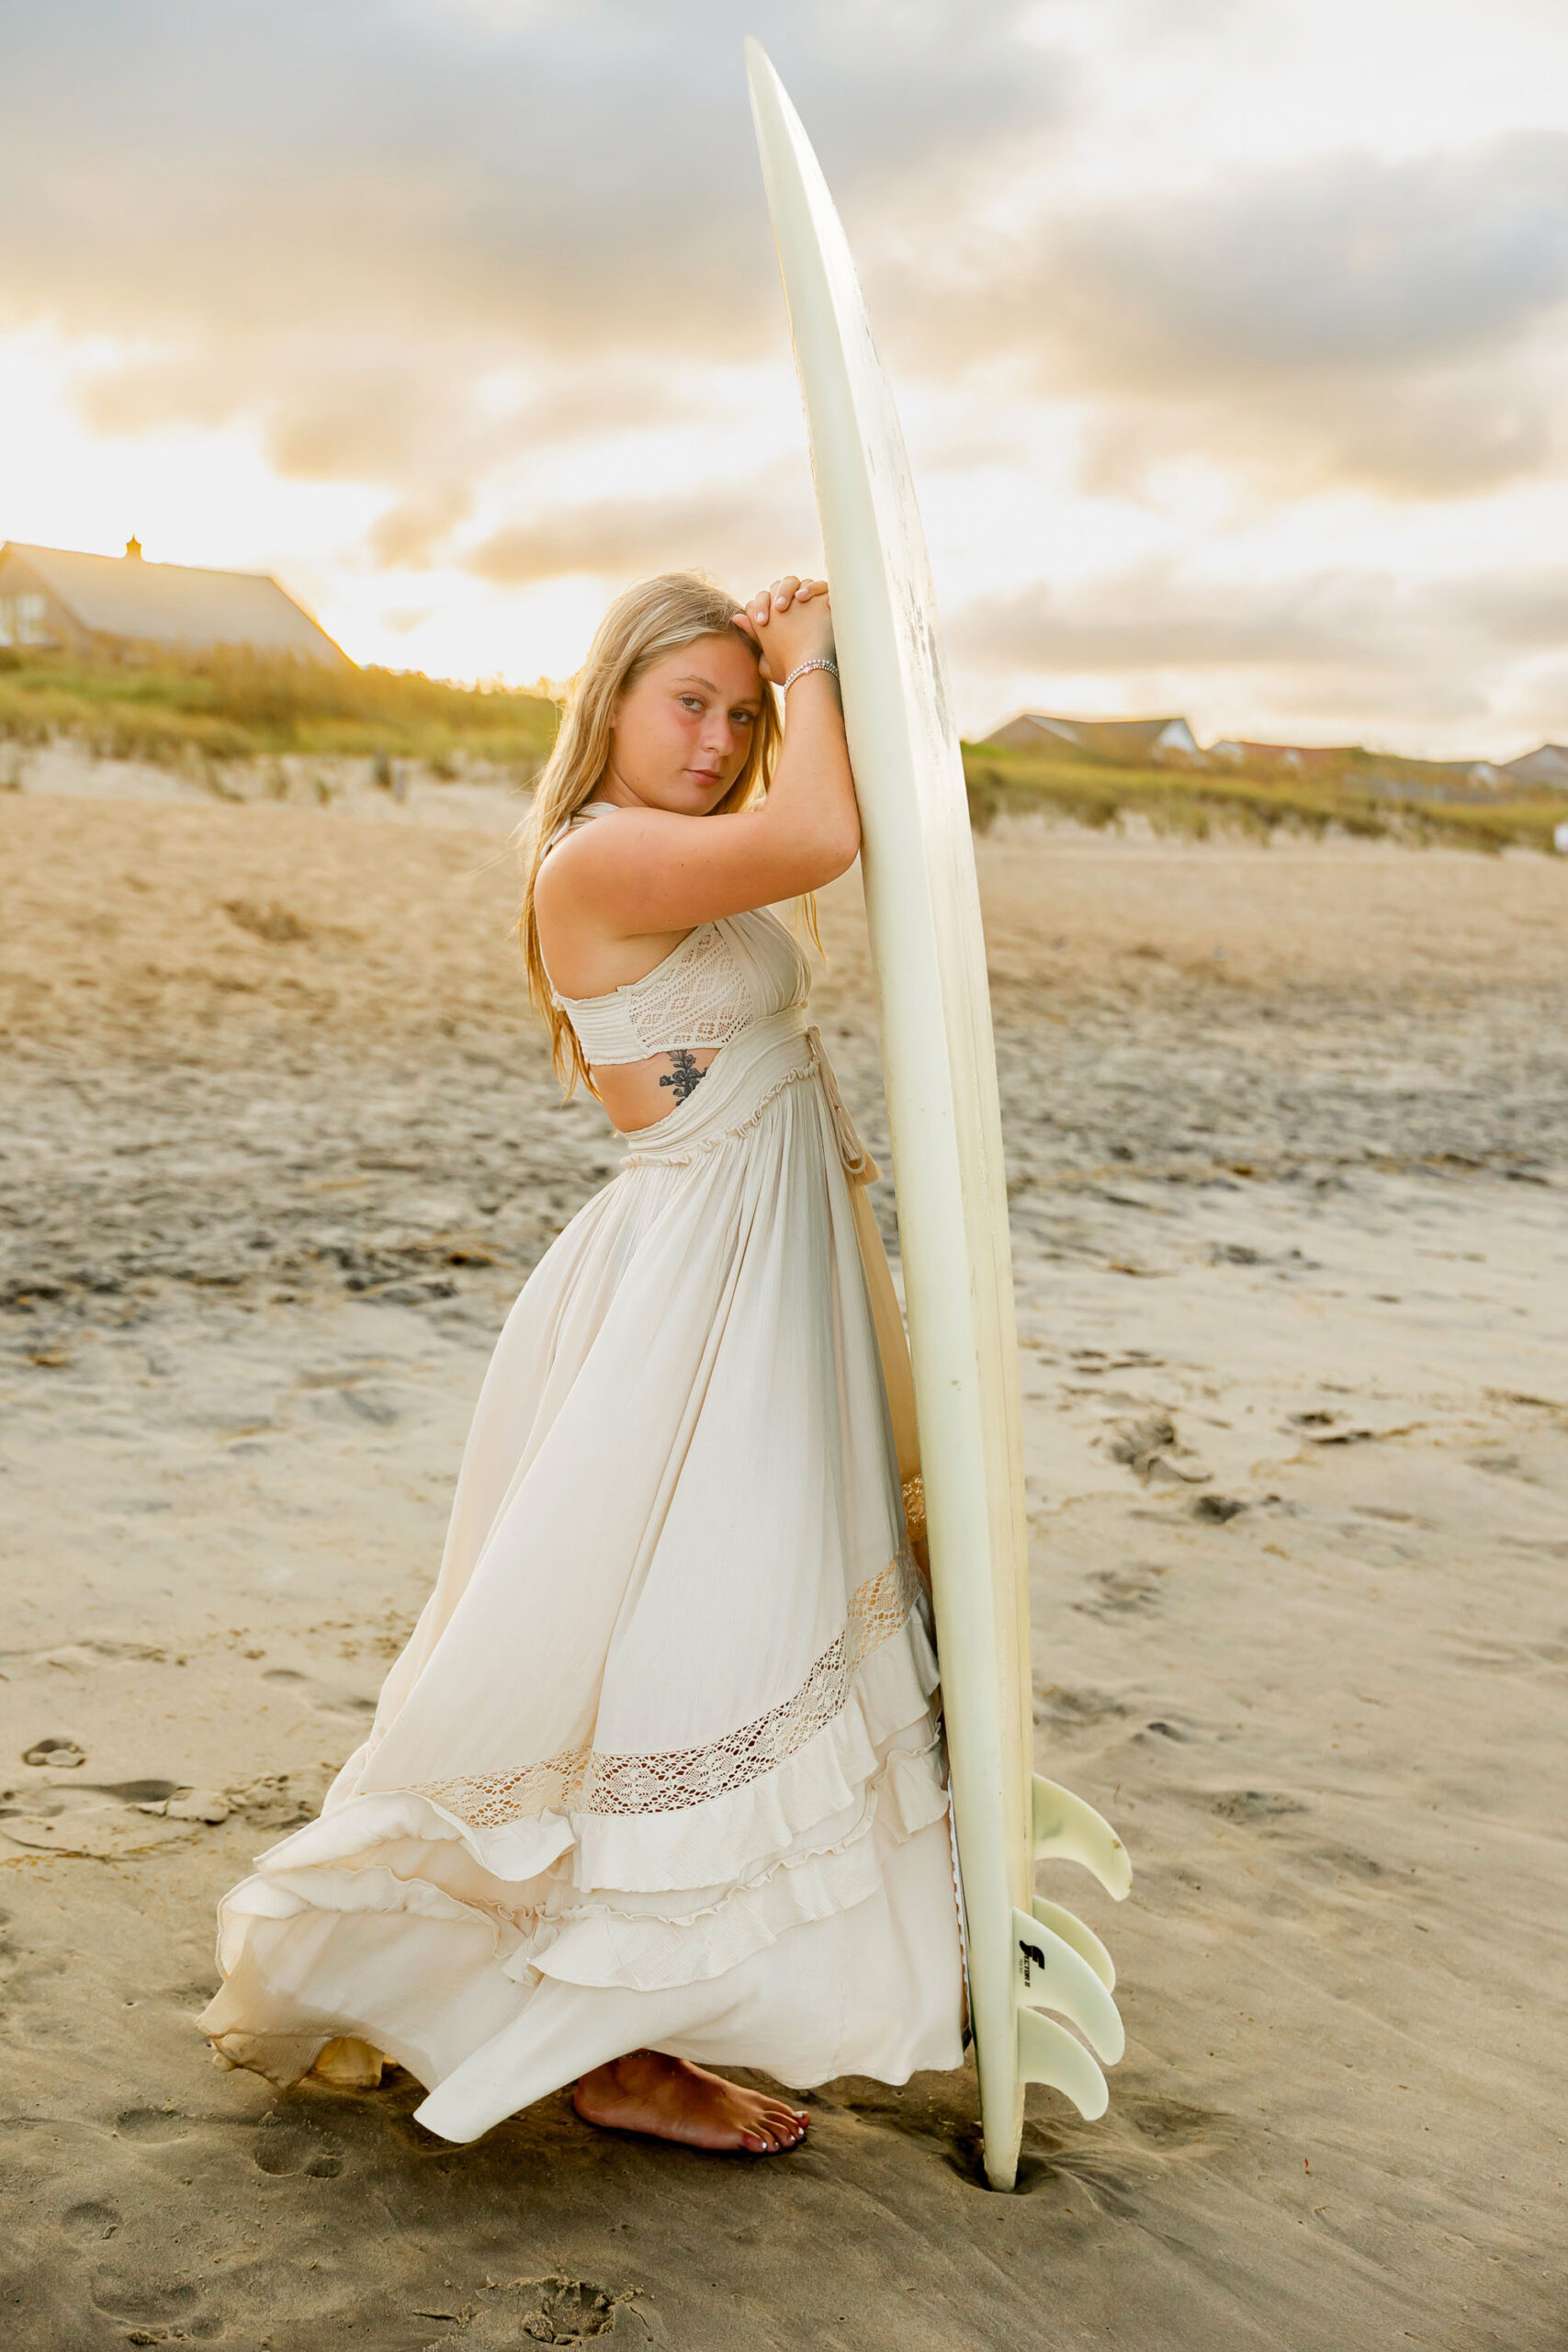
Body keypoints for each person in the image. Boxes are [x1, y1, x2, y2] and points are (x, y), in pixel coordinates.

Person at [200, 570, 964, 2155]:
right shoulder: (604, 856)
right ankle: (614, 2047)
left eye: (743, 715)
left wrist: (812, 674)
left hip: (763, 1273)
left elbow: (838, 822)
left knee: (712, 1631)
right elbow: (826, 834)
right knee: (680, 1640)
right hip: (693, 1293)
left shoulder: (679, 856)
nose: (719, 738)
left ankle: (645, 2028)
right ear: (609, 701)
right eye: (690, 702)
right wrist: (809, 655)